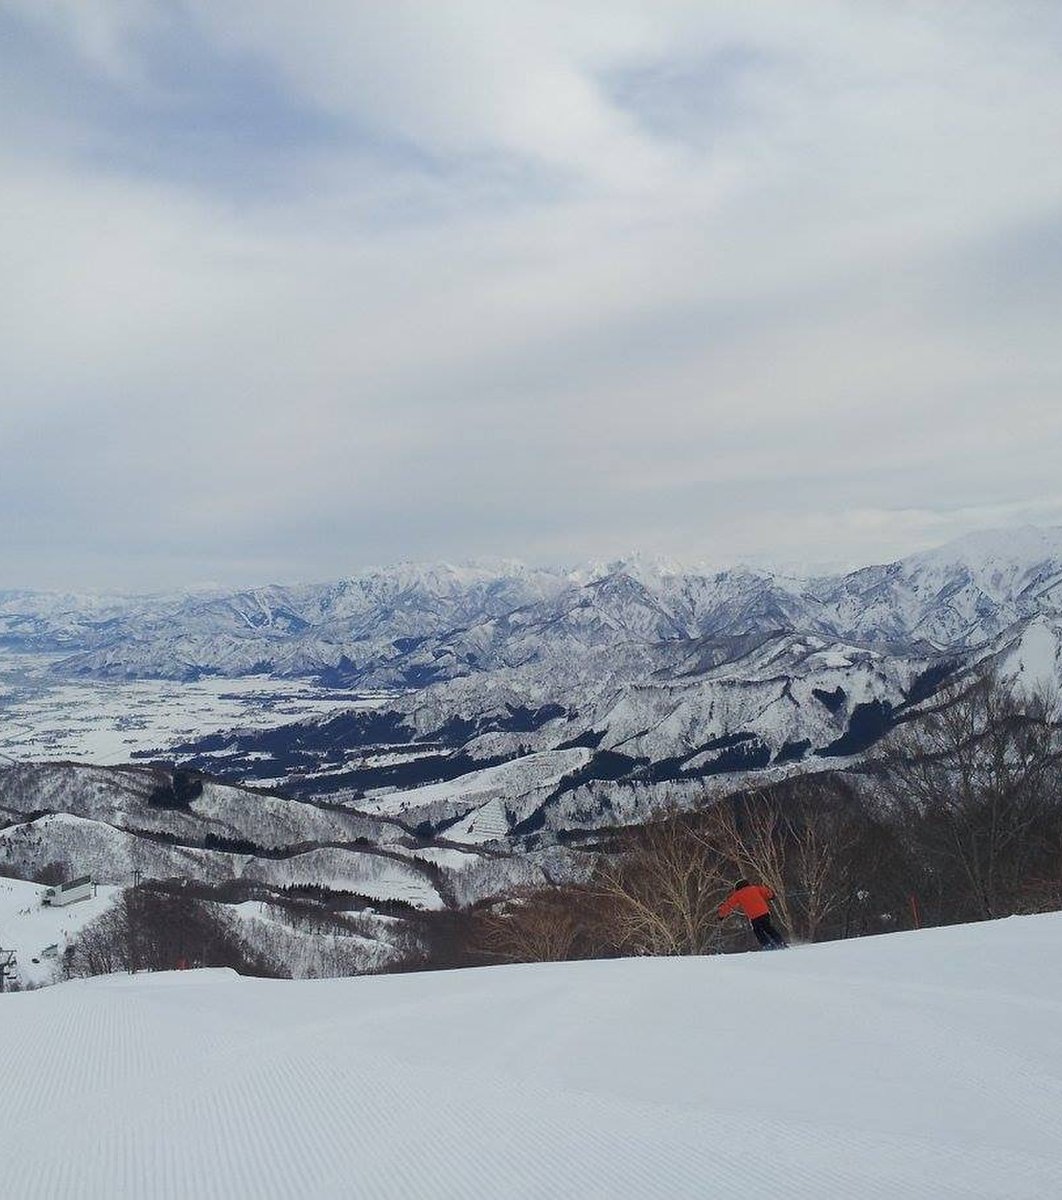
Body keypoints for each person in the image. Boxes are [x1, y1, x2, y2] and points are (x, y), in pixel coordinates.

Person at [718, 878, 788, 949]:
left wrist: (721, 915)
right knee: (769, 928)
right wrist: (771, 896)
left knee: (758, 931)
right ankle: (780, 943)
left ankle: (767, 944)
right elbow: (767, 892)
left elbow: (729, 904)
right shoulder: (755, 888)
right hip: (764, 912)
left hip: (754, 916)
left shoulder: (738, 894)